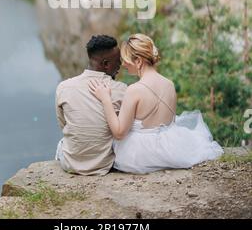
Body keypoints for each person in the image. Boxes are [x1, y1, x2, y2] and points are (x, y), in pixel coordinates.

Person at [89, 33, 223, 174]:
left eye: (126, 60)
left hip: (142, 153)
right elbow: (170, 122)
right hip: (171, 147)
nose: (123, 64)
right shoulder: (169, 84)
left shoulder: (134, 90)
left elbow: (119, 132)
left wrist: (105, 99)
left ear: (139, 61)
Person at [55, 35, 127, 175]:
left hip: (70, 164)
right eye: (118, 61)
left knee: (62, 143)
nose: (121, 65)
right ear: (106, 64)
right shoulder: (121, 90)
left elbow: (64, 125)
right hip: (104, 164)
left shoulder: (64, 87)